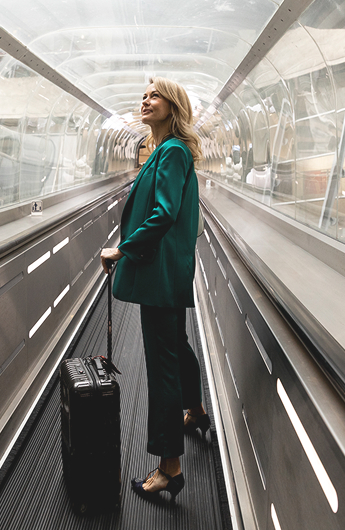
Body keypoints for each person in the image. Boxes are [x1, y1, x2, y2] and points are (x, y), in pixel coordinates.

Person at [100, 77, 209, 502]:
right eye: (144, 96)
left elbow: (163, 214)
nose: (146, 100)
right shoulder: (164, 151)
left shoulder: (173, 152)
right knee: (176, 347)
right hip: (166, 273)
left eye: (155, 95)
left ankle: (170, 468)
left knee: (161, 369)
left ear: (174, 106)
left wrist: (122, 249)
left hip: (160, 274)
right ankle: (196, 411)